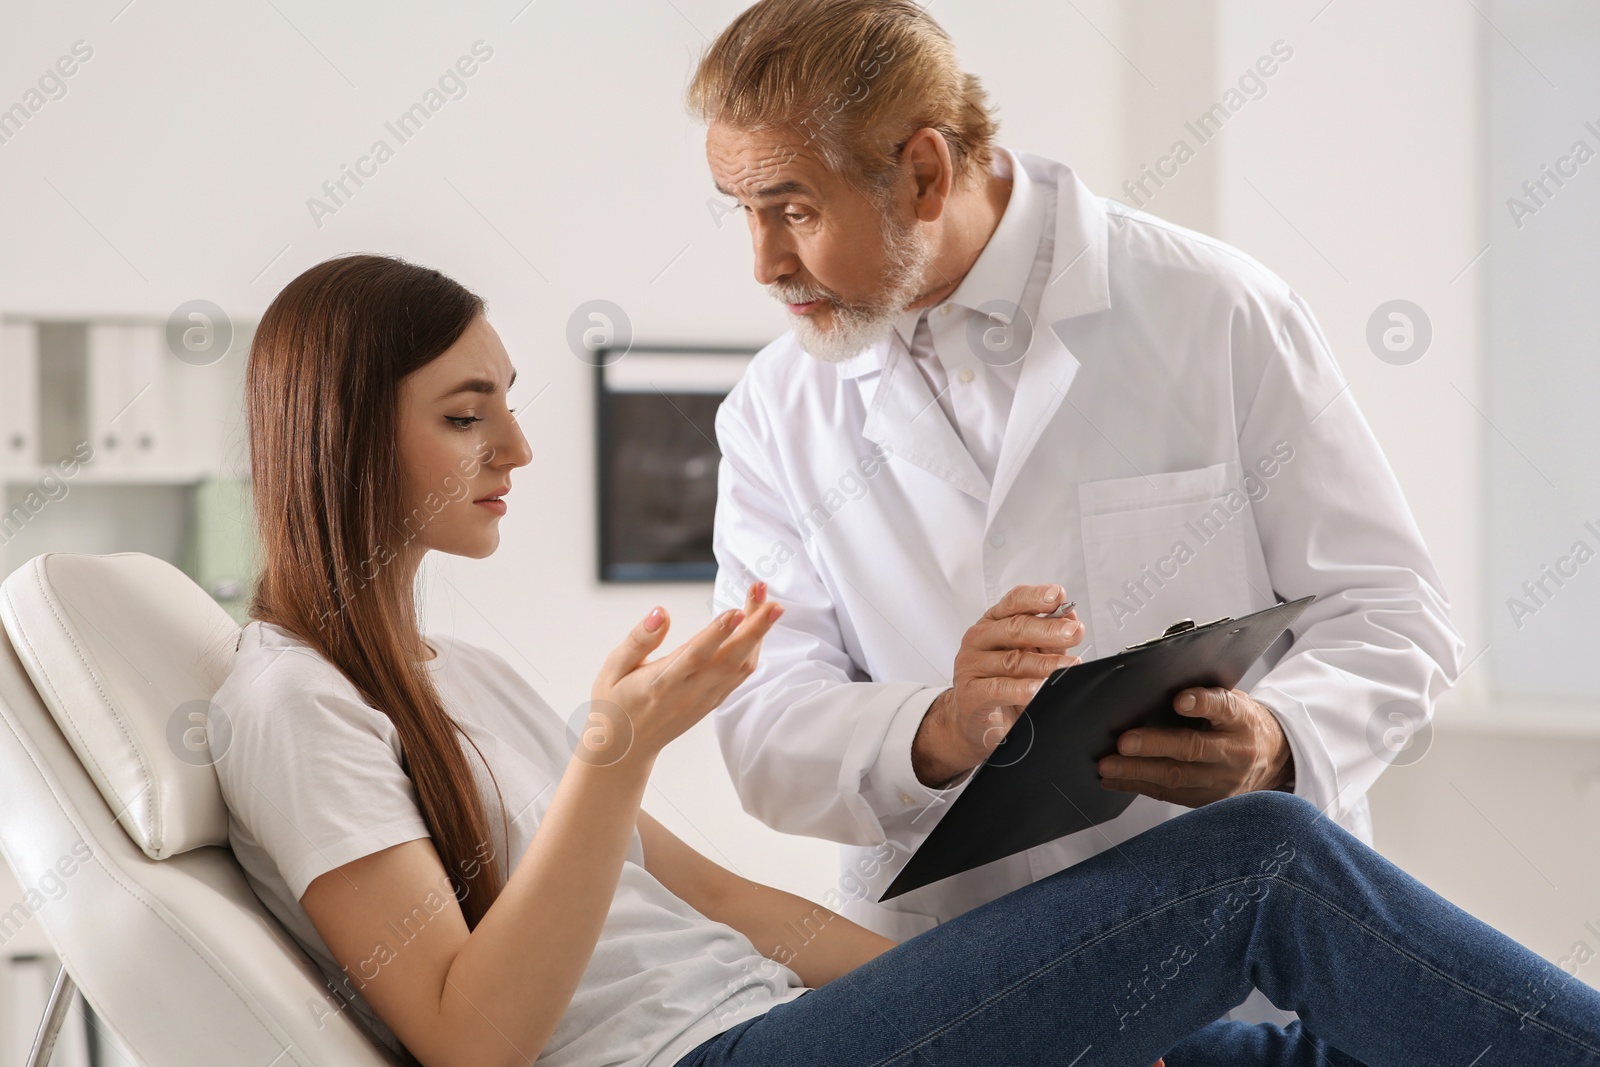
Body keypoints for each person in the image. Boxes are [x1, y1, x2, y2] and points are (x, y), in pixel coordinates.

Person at [208, 253, 1600, 1067]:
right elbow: (469, 1032)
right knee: (1263, 861)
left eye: (510, 404)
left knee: (1291, 1051)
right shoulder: (289, 703)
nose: (515, 448)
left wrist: (1002, 974)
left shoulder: (458, 673)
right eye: (467, 415)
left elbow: (720, 896)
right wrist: (613, 753)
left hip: (777, 1022)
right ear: (339, 437)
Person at [692, 1, 1467, 1024]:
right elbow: (763, 725)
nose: (763, 262)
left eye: (791, 209)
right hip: (960, 981)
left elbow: (1391, 610)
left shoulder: (1217, 310)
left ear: (922, 171)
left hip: (1232, 976)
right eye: (738, 209)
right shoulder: (775, 408)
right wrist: (939, 725)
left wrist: (1276, 740)